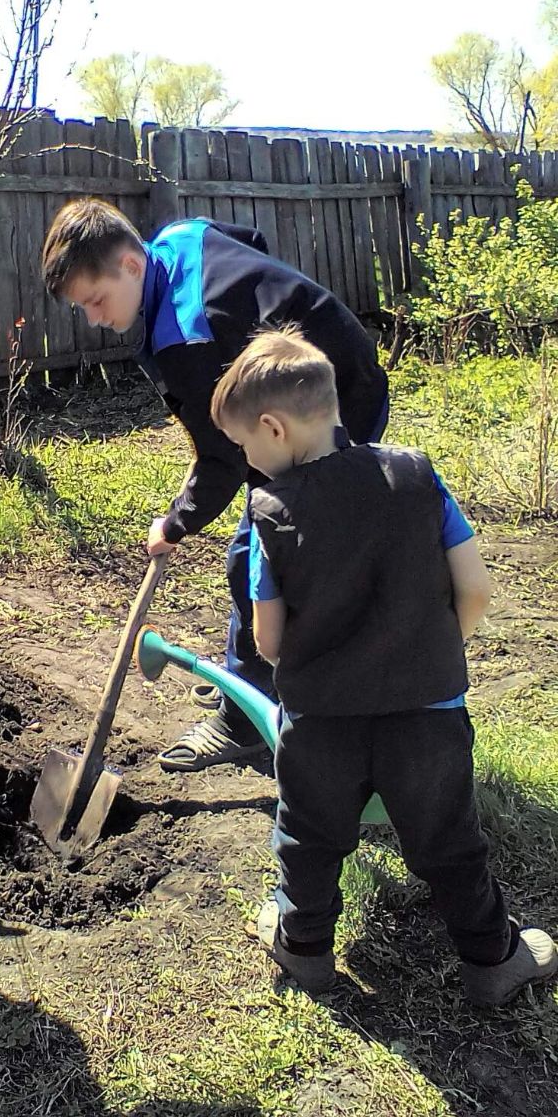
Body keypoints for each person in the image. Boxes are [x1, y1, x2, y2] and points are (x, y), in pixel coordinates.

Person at [208, 326, 557, 1005]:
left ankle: (304, 949)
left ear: (273, 428)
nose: (248, 462)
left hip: (320, 726)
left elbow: (270, 641)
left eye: (245, 446)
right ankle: (494, 959)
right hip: (426, 716)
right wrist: (422, 647)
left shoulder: (270, 513)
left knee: (308, 839)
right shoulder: (417, 477)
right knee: (450, 842)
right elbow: (477, 588)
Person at [41, 199, 388, 770]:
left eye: (96, 300)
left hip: (334, 404)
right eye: (83, 307)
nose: (95, 319)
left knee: (259, 553)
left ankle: (244, 717)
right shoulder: (179, 238)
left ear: (131, 264)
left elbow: (224, 463)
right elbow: (246, 238)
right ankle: (259, 675)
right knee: (271, 549)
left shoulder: (188, 339)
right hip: (310, 383)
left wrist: (176, 523)